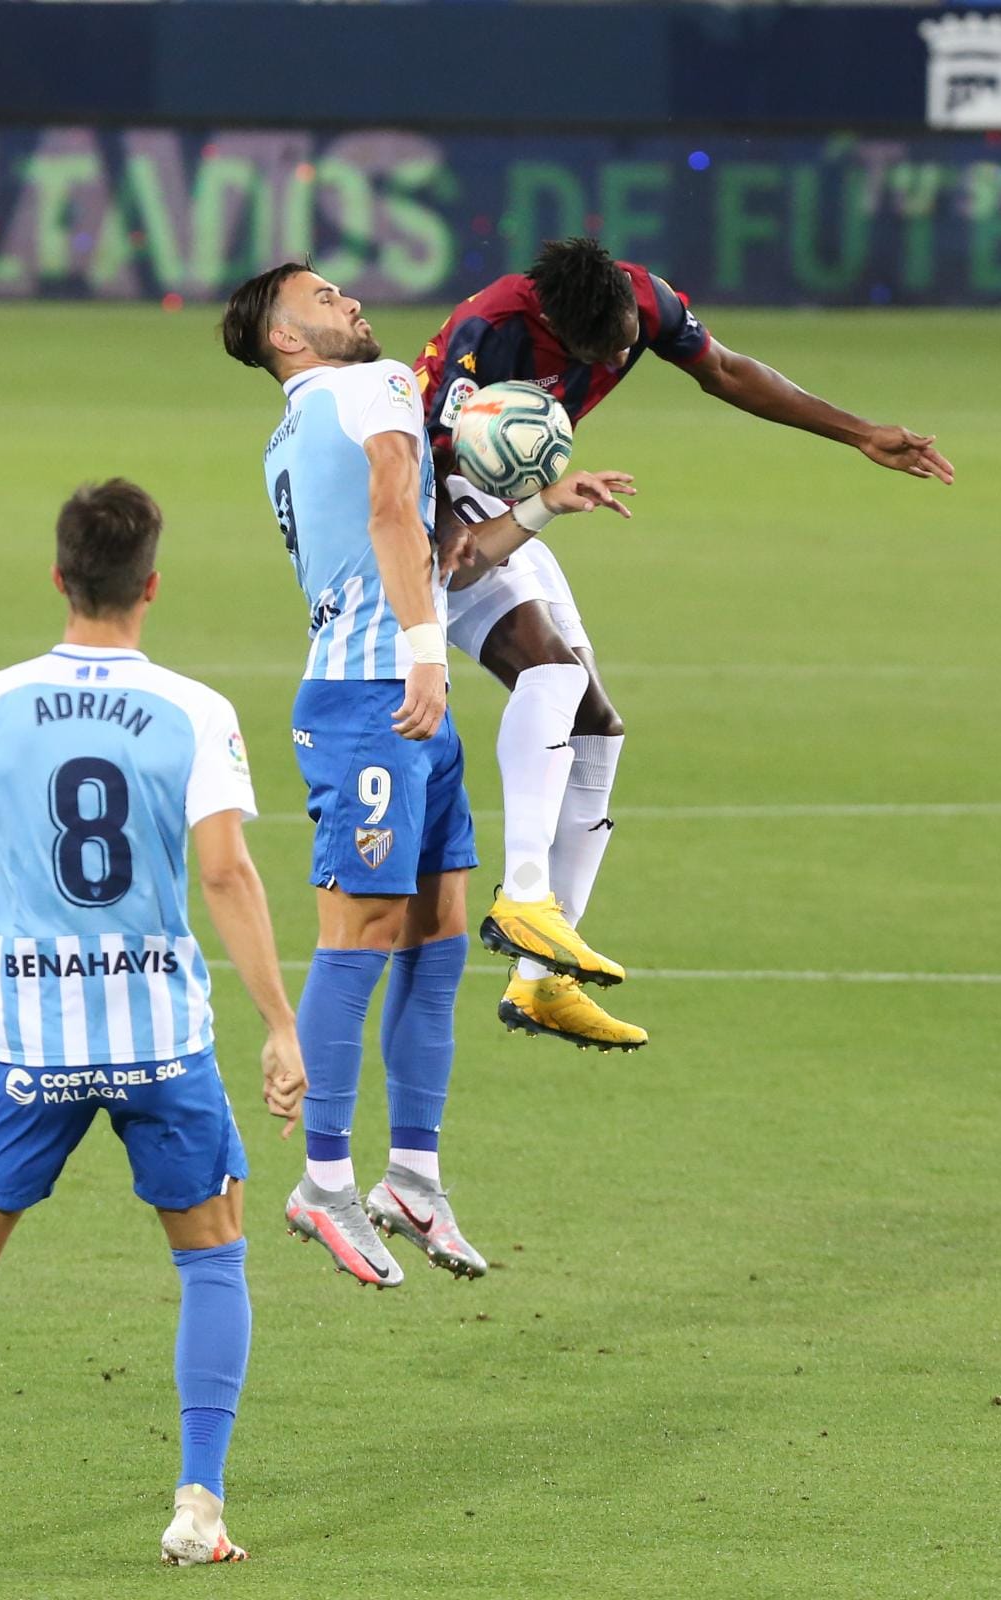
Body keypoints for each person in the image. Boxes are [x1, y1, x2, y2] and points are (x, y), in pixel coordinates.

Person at [0, 479, 306, 1569]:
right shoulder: (194, 709)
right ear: (151, 584)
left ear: (60, 577)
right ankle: (198, 1505)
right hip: (161, 1041)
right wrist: (278, 1021)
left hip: (28, 1041)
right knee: (211, 1260)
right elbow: (226, 870)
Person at [416, 236, 955, 1052]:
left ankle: (542, 984)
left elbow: (729, 372)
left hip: (512, 499)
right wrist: (457, 538)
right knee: (552, 676)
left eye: (630, 338)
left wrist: (858, 433)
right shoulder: (486, 331)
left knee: (597, 731)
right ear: (555, 323)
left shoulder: (644, 299)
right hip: (434, 507)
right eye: (605, 351)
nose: (625, 354)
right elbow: (416, 452)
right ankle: (524, 895)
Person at [220, 261, 633, 1288]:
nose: (350, 302)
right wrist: (418, 657)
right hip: (375, 704)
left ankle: (412, 1174)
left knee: (440, 934)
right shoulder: (378, 389)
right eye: (322, 300)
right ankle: (323, 1183)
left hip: (405, 697)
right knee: (357, 935)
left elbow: (443, 556)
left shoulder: (296, 425)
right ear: (286, 339)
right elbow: (395, 520)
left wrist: (540, 508)